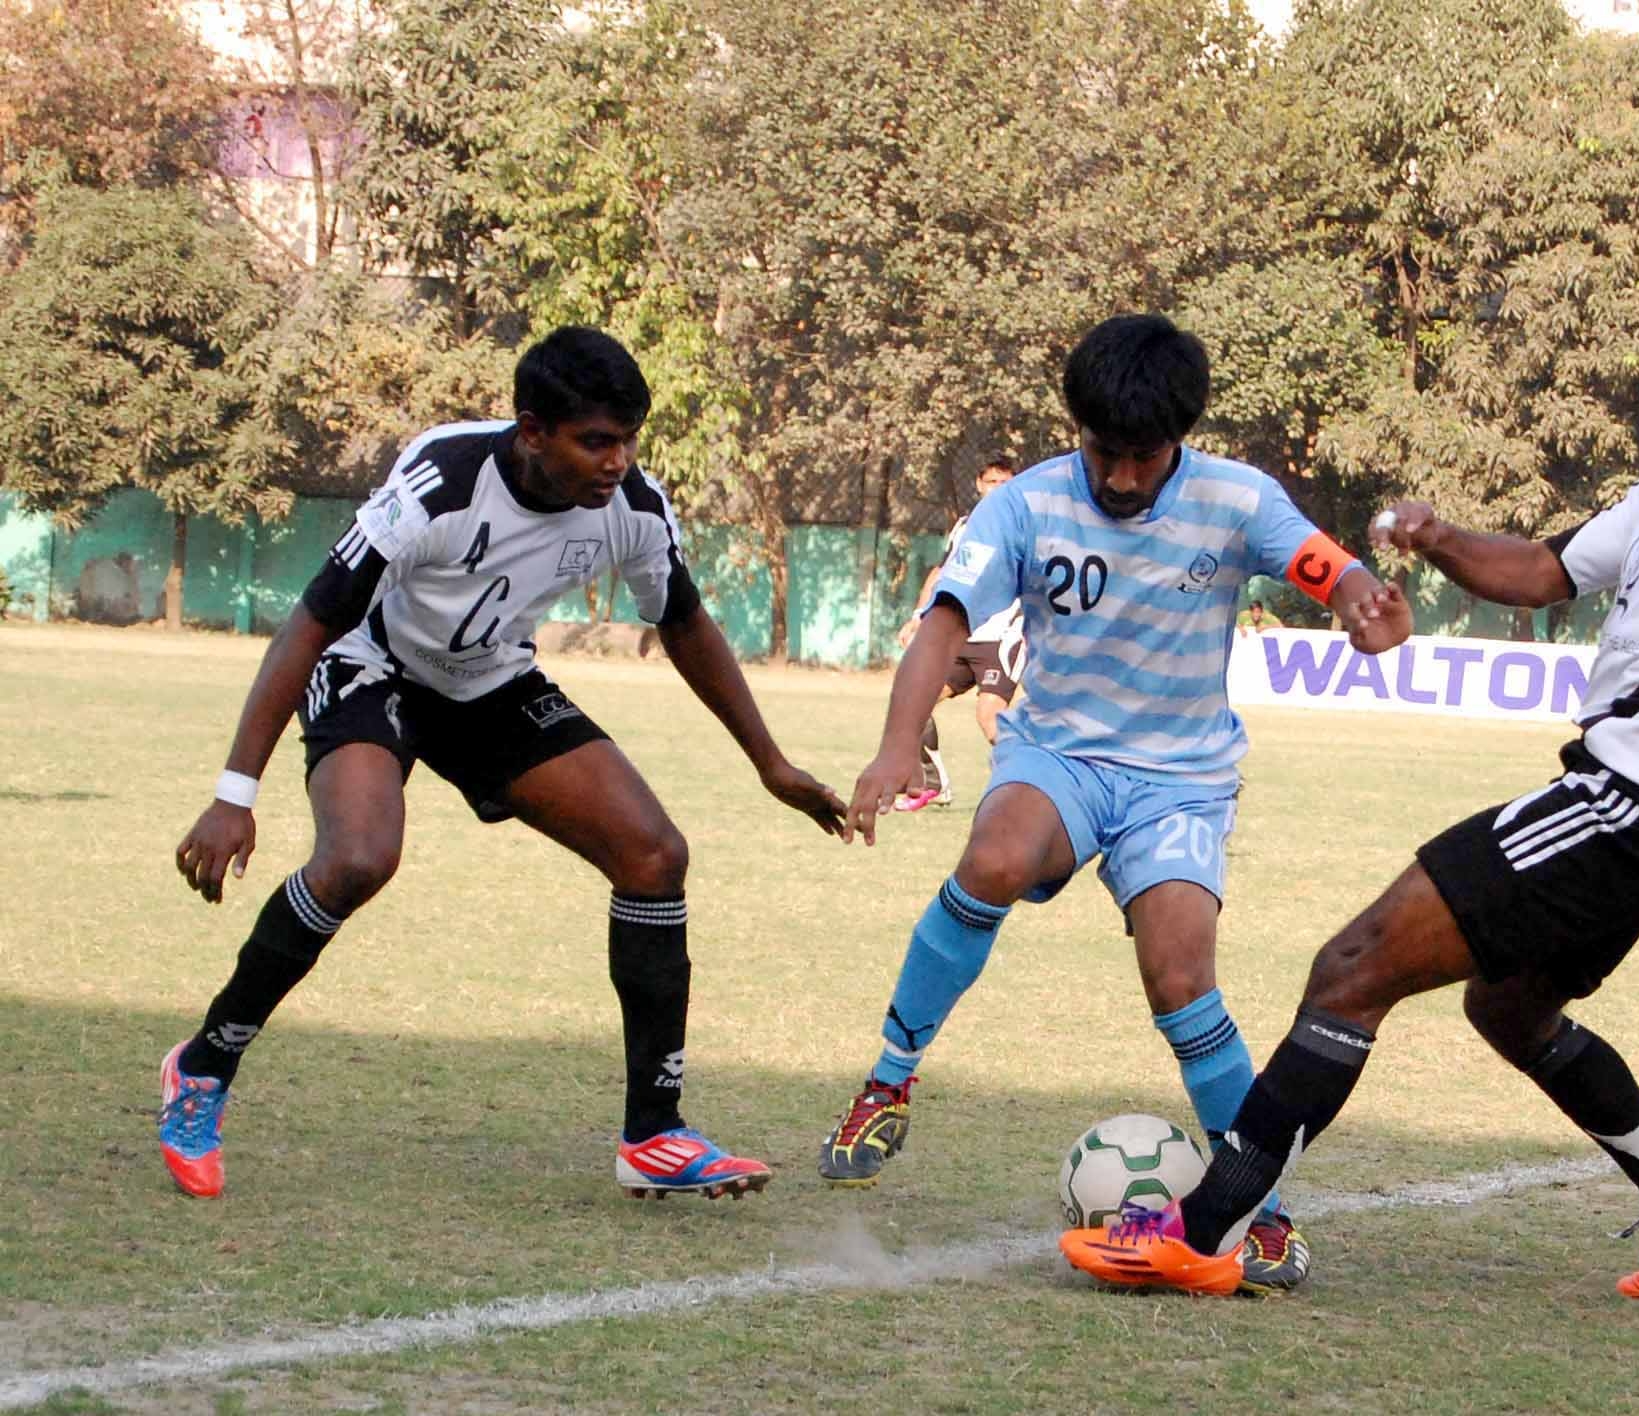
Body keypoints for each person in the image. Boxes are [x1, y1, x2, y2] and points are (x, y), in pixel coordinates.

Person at [1060, 245, 1639, 1300]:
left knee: (1354, 964)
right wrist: (1440, 534)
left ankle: (1201, 1229)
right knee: (1509, 1013)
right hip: (1636, 812)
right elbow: (1546, 572)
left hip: (1628, 808)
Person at [161, 327, 846, 1202]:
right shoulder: (441, 482)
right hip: (374, 667)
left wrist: (769, 763)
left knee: (653, 854)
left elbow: (683, 623)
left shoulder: (632, 504)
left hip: (487, 681)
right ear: (532, 431)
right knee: (357, 860)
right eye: (596, 441)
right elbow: (311, 623)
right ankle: (203, 1067)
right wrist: (233, 795)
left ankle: (655, 1135)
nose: (617, 461)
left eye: (629, 439)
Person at [819, 314, 1413, 1294]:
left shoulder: (1238, 499)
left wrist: (1361, 602)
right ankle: (888, 1080)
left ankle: (1257, 1209)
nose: (1123, 480)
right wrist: (895, 744)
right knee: (994, 860)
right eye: (1105, 454)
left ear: (1180, 440)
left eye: (1144, 459)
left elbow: (1332, 569)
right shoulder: (1024, 504)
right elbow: (945, 626)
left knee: (1181, 978)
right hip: (1057, 756)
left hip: (1181, 780)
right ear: (1077, 430)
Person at [893, 455, 1028, 812]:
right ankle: (933, 784)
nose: (999, 488)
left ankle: (1026, 786)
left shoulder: (1025, 524)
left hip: (1000, 639)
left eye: (1006, 481)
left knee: (989, 716)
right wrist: (918, 617)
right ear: (979, 485)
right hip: (963, 637)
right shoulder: (965, 526)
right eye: (992, 482)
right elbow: (941, 572)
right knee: (917, 700)